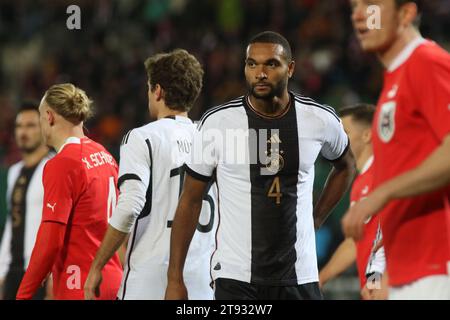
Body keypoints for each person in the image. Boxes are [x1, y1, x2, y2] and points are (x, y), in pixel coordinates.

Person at [165, 31, 357, 300]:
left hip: (299, 274)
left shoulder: (319, 119)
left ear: (290, 68)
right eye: (251, 64)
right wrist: (175, 279)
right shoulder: (218, 124)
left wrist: (317, 217)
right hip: (237, 276)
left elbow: (346, 165)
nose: (260, 73)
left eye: (271, 64)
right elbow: (190, 201)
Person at [84, 49, 216, 300]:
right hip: (201, 278)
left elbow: (130, 206)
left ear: (158, 91)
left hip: (151, 278)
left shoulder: (142, 138)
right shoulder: (211, 139)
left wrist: (97, 266)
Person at [342, 0, 450, 299]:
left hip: (435, 267)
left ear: (406, 13)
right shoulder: (395, 78)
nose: (359, 14)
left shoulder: (426, 61)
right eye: (355, 6)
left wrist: (380, 194)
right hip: (407, 270)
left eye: (372, 4)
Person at [15, 83, 123, 300]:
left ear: (49, 116)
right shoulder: (104, 155)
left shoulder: (62, 164)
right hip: (113, 279)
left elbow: (50, 241)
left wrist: (23, 295)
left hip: (80, 285)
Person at [319, 104, 387, 300]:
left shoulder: (383, 175)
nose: (337, 139)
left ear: (366, 135)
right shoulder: (361, 181)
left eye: (344, 132)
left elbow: (386, 238)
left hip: (389, 286)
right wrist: (320, 279)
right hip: (376, 286)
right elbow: (356, 241)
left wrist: (374, 282)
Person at [0, 102, 53, 300]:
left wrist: (54, 274)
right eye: (19, 126)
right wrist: (2, 271)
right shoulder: (14, 172)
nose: (23, 132)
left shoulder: (53, 168)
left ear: (43, 128)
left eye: (31, 125)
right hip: (13, 271)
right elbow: (12, 221)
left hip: (39, 272)